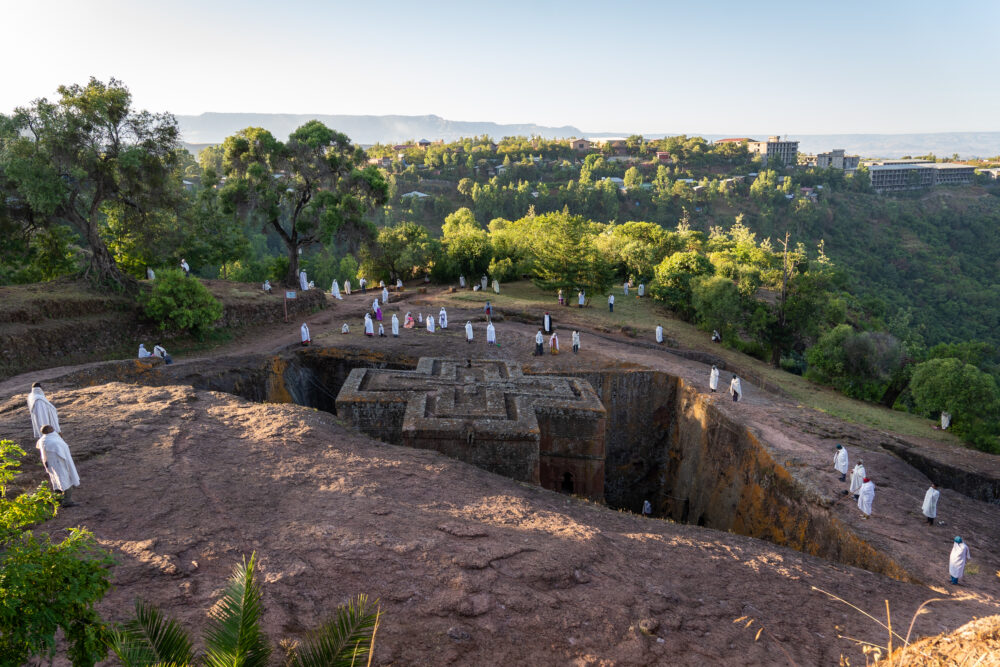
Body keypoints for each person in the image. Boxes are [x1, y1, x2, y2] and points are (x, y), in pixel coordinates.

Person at [37, 425, 80, 506]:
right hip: (60, 464)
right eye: (51, 428)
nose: (54, 429)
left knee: (56, 481)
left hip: (51, 464)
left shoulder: (43, 440)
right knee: (66, 481)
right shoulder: (54, 442)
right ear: (49, 431)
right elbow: (62, 452)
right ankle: (67, 501)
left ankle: (58, 499)